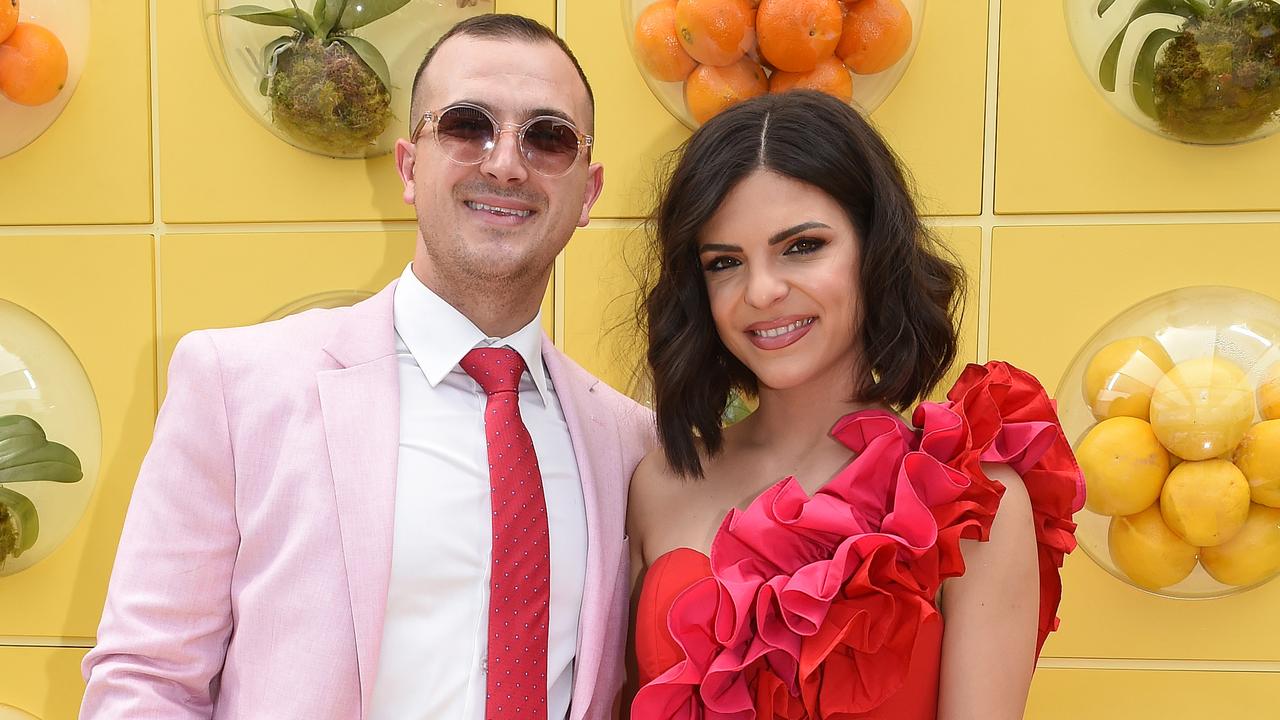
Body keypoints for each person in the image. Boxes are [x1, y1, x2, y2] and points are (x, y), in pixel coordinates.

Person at [81, 14, 652, 720]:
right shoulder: (235, 387)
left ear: (588, 193)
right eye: (468, 125)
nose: (506, 162)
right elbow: (147, 681)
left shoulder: (630, 444)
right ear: (410, 167)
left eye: (548, 137)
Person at [625, 90, 1085, 719]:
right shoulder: (660, 482)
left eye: (802, 246)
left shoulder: (974, 504)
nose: (761, 291)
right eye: (725, 262)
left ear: (876, 251)